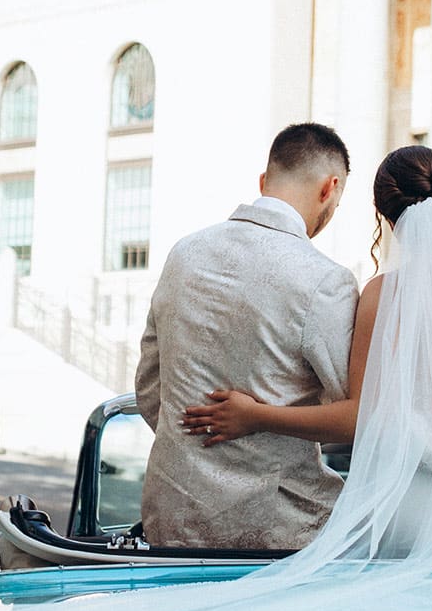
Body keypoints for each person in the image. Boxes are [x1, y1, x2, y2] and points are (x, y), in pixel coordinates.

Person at [183, 144, 432, 551]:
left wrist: (256, 416)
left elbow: (369, 418)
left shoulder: (383, 294)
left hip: (414, 509)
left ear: (386, 217)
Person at [134, 121, 357, 552]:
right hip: (279, 529)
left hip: (172, 519)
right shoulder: (325, 281)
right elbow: (351, 411)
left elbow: (149, 390)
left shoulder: (185, 253)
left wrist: (195, 448)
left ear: (263, 181)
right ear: (330, 189)